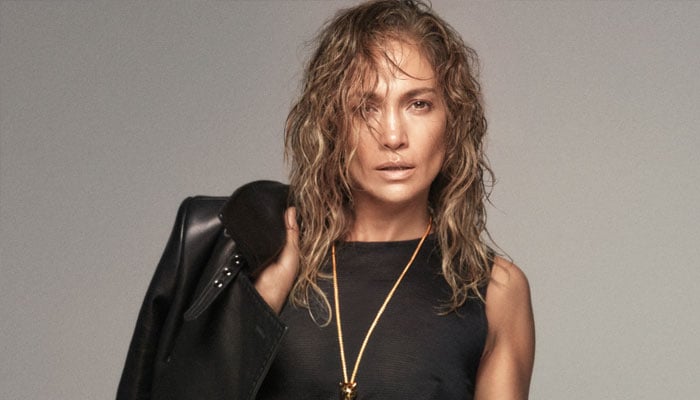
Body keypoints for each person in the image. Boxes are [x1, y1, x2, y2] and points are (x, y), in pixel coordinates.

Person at [117, 1, 535, 399]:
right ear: (332, 124)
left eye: (418, 104)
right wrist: (261, 302)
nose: (393, 136)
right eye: (366, 108)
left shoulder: (496, 291)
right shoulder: (259, 254)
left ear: (452, 120)